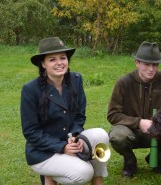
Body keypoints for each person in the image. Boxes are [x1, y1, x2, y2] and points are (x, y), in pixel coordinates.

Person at [20, 37, 109, 185]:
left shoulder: (76, 79)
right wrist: (61, 147)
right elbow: (31, 132)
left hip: (68, 142)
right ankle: (48, 175)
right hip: (43, 152)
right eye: (52, 59)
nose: (59, 63)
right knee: (84, 172)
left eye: (63, 57)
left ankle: (97, 179)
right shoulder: (30, 90)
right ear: (43, 64)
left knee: (101, 135)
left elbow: (79, 116)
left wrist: (75, 136)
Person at [107, 41, 161, 177]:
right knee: (117, 136)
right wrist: (139, 122)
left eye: (155, 64)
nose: (151, 69)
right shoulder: (124, 83)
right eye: (147, 64)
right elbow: (113, 114)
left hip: (159, 132)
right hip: (131, 131)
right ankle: (130, 161)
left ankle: (159, 161)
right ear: (137, 63)